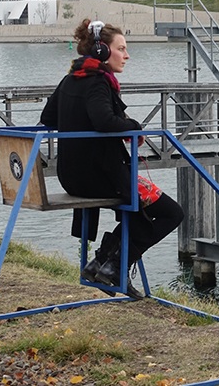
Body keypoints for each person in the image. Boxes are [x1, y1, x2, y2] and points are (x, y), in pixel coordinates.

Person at [40, 19, 184, 299]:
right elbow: (104, 120)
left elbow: (47, 118)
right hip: (99, 177)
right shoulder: (97, 83)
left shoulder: (71, 78)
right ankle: (113, 264)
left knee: (145, 211)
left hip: (72, 177)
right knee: (172, 213)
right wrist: (134, 127)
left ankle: (102, 263)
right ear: (103, 51)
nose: (127, 55)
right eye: (122, 49)